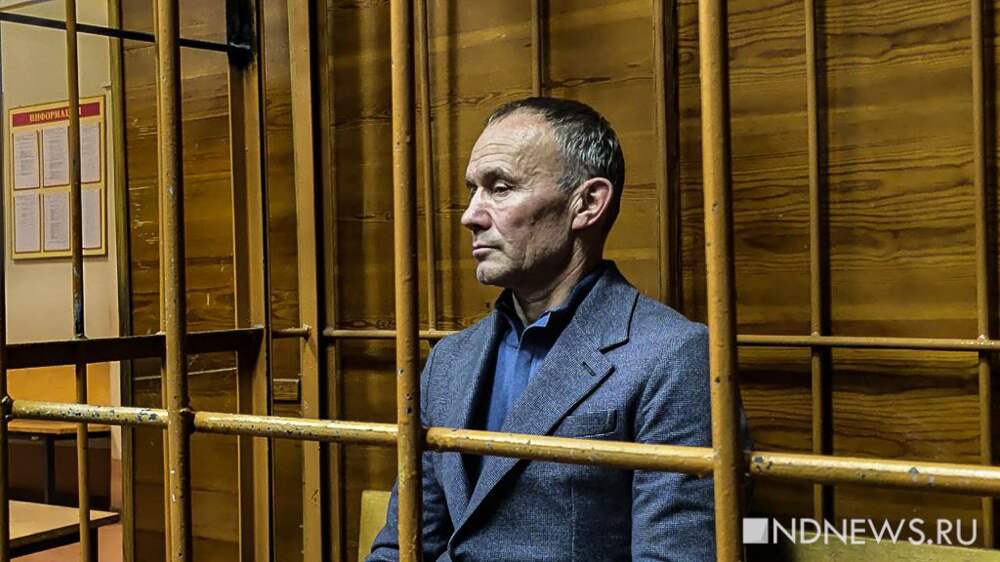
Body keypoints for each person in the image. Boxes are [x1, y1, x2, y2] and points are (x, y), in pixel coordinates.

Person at [368, 97, 748, 561]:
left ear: (586, 204)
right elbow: (403, 545)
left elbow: (675, 556)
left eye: (500, 188)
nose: (470, 215)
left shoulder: (673, 356)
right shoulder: (449, 360)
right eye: (473, 190)